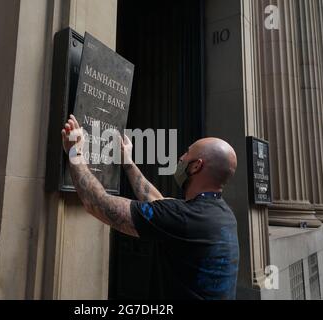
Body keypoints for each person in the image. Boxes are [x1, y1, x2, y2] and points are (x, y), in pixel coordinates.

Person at [61, 115, 239, 300]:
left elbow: (96, 203)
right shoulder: (222, 214)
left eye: (187, 153)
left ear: (195, 166)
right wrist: (128, 162)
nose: (181, 157)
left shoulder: (184, 218)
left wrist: (75, 152)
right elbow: (158, 202)